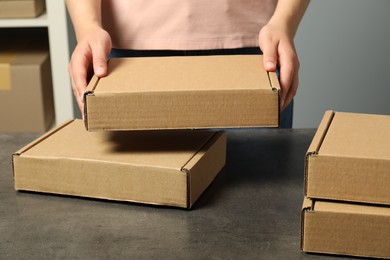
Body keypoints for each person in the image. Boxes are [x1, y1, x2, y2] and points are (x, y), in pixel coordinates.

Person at [66, 0, 310, 128]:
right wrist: (87, 26)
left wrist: (284, 22)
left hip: (254, 53)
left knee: (260, 209)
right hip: (126, 58)